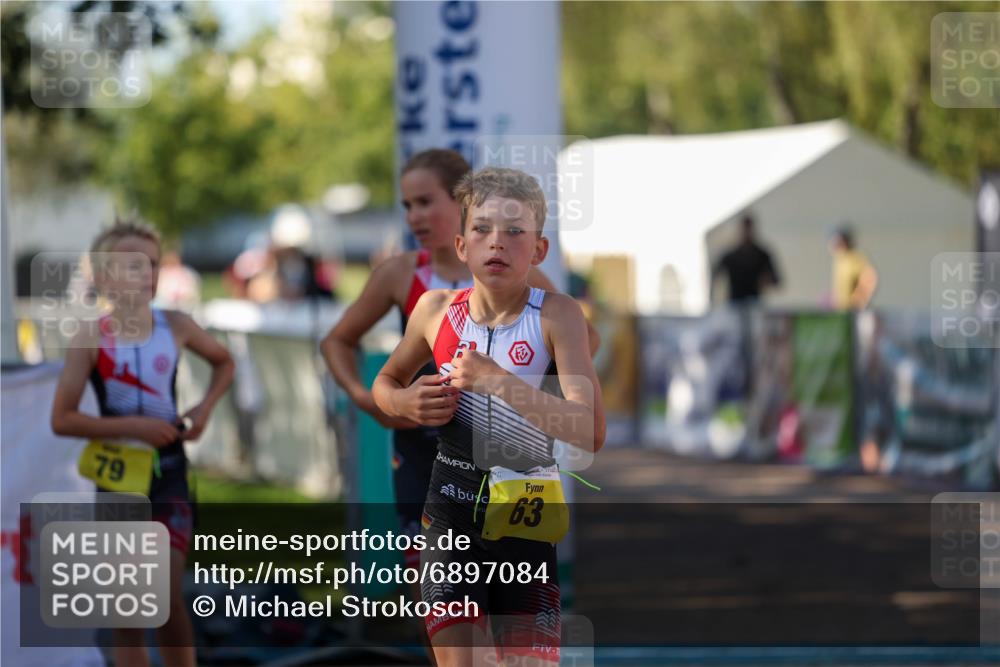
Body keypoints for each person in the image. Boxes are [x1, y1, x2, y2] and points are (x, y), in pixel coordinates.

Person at [320, 150, 597, 662]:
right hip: (439, 487)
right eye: (407, 205)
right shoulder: (421, 295)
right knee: (454, 648)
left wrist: (511, 385)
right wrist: (394, 403)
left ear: (538, 249)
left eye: (425, 201)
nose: (414, 216)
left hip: (521, 502)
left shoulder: (547, 304)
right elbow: (374, 370)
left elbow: (588, 417)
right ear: (463, 239)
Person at [51, 217, 235, 667]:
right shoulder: (89, 337)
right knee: (129, 610)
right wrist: (133, 427)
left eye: (152, 265)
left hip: (168, 474)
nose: (147, 275)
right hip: (117, 482)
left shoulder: (175, 324)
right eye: (133, 265)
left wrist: (204, 410)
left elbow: (224, 362)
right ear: (105, 275)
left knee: (166, 596)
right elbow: (63, 419)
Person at [712, 213, 781, 305]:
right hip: (735, 303)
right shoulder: (732, 255)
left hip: (755, 302)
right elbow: (715, 273)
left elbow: (776, 280)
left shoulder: (762, 255)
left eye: (749, 229)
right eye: (745, 229)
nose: (747, 232)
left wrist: (767, 281)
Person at [829, 226, 878, 310]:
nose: (836, 246)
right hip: (842, 309)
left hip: (854, 311)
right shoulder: (840, 260)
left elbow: (870, 279)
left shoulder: (854, 259)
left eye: (840, 242)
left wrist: (859, 300)